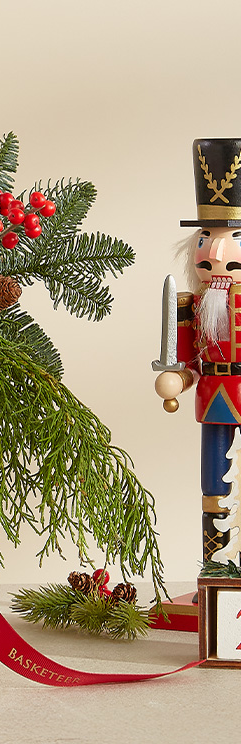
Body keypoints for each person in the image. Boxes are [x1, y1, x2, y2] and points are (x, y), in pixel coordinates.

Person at [155, 138, 241, 560]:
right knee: (214, 479)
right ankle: (217, 558)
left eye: (234, 237)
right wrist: (179, 376)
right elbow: (186, 359)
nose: (215, 253)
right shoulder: (192, 303)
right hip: (214, 401)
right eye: (207, 236)